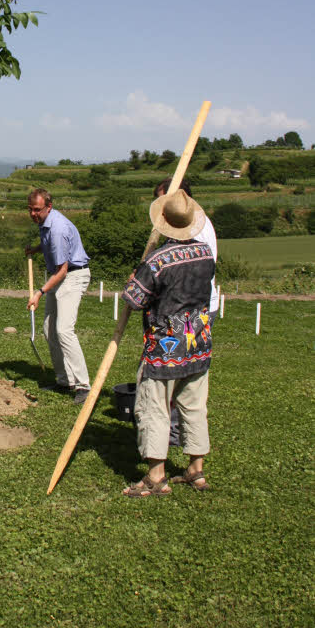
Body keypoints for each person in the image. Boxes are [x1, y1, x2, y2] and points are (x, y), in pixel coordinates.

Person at [121, 188, 215, 497]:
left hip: (166, 346)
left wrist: (135, 277)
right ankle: (196, 470)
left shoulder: (158, 260)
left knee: (155, 408)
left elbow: (134, 299)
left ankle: (155, 476)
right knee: (194, 406)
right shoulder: (206, 253)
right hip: (197, 339)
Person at [153, 178, 219, 446]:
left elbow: (186, 274)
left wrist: (152, 273)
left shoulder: (196, 232)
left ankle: (175, 432)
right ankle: (178, 431)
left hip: (188, 312)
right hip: (191, 310)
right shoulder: (190, 224)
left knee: (177, 372)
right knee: (186, 370)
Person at [25, 189, 92, 404]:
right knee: (48, 329)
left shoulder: (57, 228)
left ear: (49, 206)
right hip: (60, 275)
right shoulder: (45, 224)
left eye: (37, 210)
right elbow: (50, 247)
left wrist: (39, 292)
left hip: (72, 276)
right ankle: (64, 380)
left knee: (64, 330)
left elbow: (62, 270)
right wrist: (36, 250)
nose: (33, 214)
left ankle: (83, 385)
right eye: (30, 210)